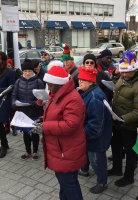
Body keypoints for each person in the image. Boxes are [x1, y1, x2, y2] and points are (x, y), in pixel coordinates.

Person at [41, 66, 86, 200]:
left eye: (50, 85)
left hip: (66, 151)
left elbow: (70, 124)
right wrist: (42, 119)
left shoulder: (72, 99)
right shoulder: (58, 94)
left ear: (58, 84)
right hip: (62, 150)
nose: (48, 89)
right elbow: (55, 115)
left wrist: (45, 126)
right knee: (65, 184)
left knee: (69, 184)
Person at [108, 52, 138, 187]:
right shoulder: (123, 77)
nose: (123, 74)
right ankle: (116, 168)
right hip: (117, 120)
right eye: (122, 71)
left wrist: (123, 119)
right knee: (116, 145)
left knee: (130, 151)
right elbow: (118, 88)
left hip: (128, 124)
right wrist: (113, 77)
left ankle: (128, 176)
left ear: (135, 70)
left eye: (127, 72)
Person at [77, 66, 112, 194]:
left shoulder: (94, 98)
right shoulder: (87, 92)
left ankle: (102, 182)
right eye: (79, 79)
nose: (79, 82)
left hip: (97, 139)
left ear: (91, 82)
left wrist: (80, 134)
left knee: (97, 160)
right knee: (88, 156)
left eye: (83, 80)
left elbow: (95, 126)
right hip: (90, 136)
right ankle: (85, 170)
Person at [11, 59, 44, 160]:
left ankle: (35, 151)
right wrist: (14, 103)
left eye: (29, 71)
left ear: (33, 71)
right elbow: (14, 95)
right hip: (23, 112)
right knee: (25, 133)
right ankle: (27, 151)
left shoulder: (38, 81)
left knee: (34, 132)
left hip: (35, 111)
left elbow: (42, 97)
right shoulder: (18, 81)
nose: (27, 73)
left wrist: (36, 103)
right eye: (25, 71)